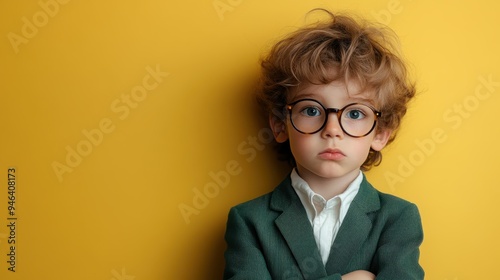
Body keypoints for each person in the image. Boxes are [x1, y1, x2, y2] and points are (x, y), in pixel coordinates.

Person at [223, 9, 424, 280]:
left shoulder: (398, 218)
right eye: (311, 110)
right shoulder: (249, 221)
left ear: (380, 133)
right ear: (281, 125)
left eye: (355, 114)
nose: (332, 131)